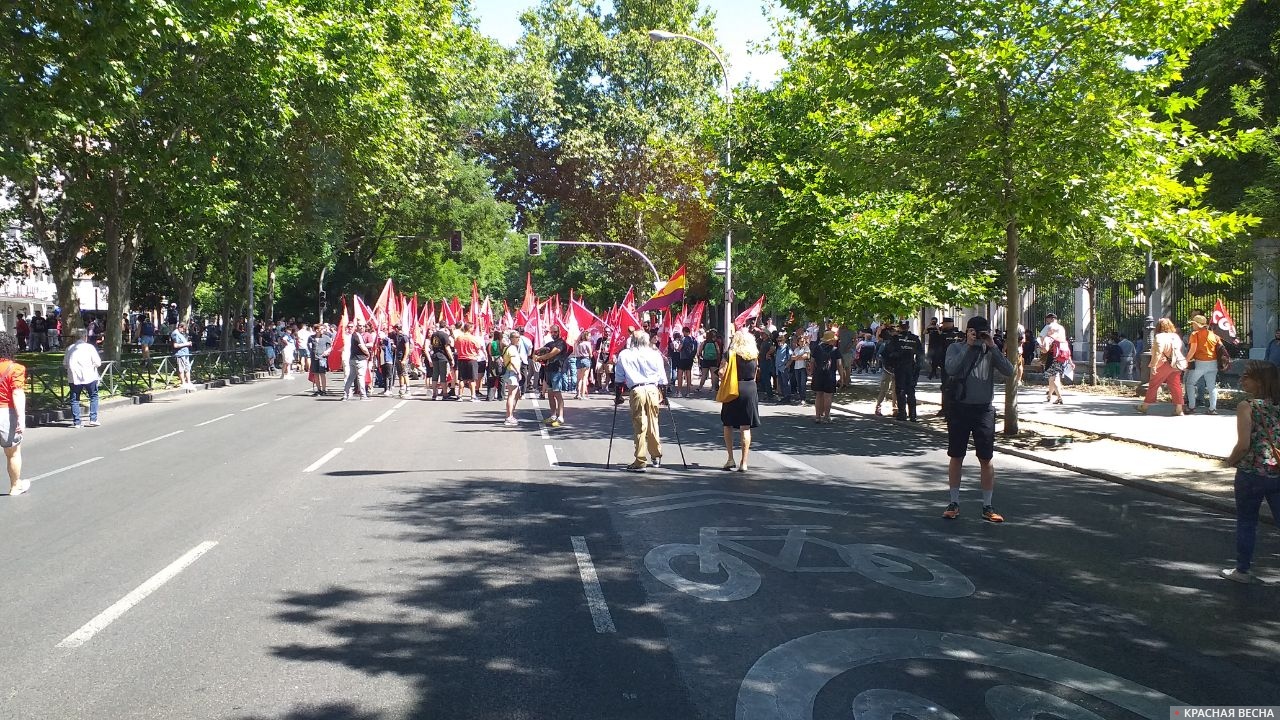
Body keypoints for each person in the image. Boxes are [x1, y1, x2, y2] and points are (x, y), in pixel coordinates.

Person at [942, 316, 1015, 523]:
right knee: (956, 455)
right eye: (977, 332)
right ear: (968, 331)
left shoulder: (990, 350)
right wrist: (968, 346)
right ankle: (954, 502)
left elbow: (1009, 371)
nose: (981, 336)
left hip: (983, 410)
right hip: (960, 408)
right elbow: (952, 369)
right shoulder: (956, 348)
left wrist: (993, 347)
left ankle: (987, 505)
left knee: (986, 458)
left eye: (984, 332)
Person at [1221, 360, 1280, 583]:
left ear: (1259, 381)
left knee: (1247, 521)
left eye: (1246, 376)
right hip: (1277, 471)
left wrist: (1230, 461)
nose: (1241, 380)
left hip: (1251, 473)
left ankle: (1242, 571)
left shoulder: (1247, 406)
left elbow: (1244, 444)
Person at [614, 330, 668, 471]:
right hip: (652, 389)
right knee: (653, 422)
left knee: (640, 424)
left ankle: (640, 460)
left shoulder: (625, 354)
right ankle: (656, 455)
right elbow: (662, 377)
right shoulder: (655, 354)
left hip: (636, 389)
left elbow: (619, 378)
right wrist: (664, 394)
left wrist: (618, 396)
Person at [719, 329, 761, 472]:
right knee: (745, 427)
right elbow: (755, 374)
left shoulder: (730, 354)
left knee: (728, 424)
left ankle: (730, 459)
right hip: (750, 388)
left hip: (734, 388)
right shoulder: (754, 355)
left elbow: (721, 373)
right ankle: (744, 462)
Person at [1137, 318, 1185, 416]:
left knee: (1153, 385)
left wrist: (1154, 365)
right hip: (1176, 364)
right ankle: (1179, 409)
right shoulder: (1175, 336)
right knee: (1176, 386)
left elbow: (1159, 352)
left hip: (1163, 364)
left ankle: (1145, 406)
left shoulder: (1159, 336)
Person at [0, 334, 28, 496]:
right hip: (5, 413)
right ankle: (15, 485)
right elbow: (17, 394)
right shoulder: (15, 369)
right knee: (12, 452)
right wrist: (21, 418)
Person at [886, 320, 923, 421]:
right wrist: (918, 369)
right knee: (911, 390)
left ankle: (902, 414)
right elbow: (920, 355)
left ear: (900, 327)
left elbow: (888, 353)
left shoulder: (895, 338)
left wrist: (890, 366)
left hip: (900, 367)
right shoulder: (914, 338)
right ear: (908, 326)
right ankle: (913, 415)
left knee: (901, 390)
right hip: (911, 367)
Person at [64, 328, 102, 428]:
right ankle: (93, 419)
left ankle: (77, 422)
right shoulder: (90, 348)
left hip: (74, 377)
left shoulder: (70, 348)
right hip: (89, 376)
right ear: (85, 337)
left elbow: (65, 364)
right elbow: (98, 363)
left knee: (74, 399)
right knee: (93, 396)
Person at [534, 325, 570, 427]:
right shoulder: (550, 343)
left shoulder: (561, 343)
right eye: (552, 332)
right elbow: (539, 350)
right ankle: (553, 416)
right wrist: (536, 353)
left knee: (557, 394)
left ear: (559, 332)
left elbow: (553, 353)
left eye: (555, 332)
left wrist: (539, 357)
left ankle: (561, 417)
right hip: (548, 370)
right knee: (550, 394)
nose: (553, 334)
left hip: (557, 371)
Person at [1185, 314, 1221, 415]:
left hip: (1200, 363)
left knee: (1190, 383)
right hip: (1213, 363)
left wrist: (1185, 360)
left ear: (1197, 325)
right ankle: (1212, 409)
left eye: (1193, 323)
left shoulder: (1195, 334)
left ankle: (1191, 407)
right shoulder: (1213, 334)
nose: (1192, 325)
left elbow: (1193, 350)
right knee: (1211, 386)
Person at [1038, 312, 1069, 405]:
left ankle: (1059, 397)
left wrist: (1042, 346)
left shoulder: (1048, 327)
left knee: (1053, 376)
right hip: (1062, 354)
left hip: (1052, 354)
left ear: (1050, 319)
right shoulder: (1062, 328)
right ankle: (1049, 396)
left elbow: (1041, 338)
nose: (1047, 321)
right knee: (1054, 375)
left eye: (1047, 319)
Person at [811, 330, 841, 423]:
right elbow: (839, 364)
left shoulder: (817, 348)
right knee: (828, 396)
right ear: (831, 340)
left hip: (818, 373)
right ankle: (827, 417)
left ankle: (817, 417)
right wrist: (841, 377)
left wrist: (812, 372)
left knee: (818, 395)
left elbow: (812, 361)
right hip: (830, 374)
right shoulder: (835, 350)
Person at [342, 320, 371, 400]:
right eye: (359, 326)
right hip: (360, 358)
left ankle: (345, 394)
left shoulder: (351, 335)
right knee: (360, 377)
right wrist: (367, 353)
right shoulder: (356, 335)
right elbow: (362, 346)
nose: (361, 327)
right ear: (356, 327)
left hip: (352, 359)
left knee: (351, 377)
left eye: (362, 326)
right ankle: (363, 395)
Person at [454, 322, 482, 402]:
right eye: (472, 328)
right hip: (471, 359)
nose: (473, 329)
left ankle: (460, 396)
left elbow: (456, 346)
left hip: (461, 359)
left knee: (461, 379)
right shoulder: (473, 338)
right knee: (472, 379)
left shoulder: (459, 338)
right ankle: (473, 396)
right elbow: (478, 347)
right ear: (469, 328)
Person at [874, 326, 898, 416]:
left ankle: (879, 407)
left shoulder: (884, 344)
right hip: (893, 369)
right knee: (894, 390)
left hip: (887, 369)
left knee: (884, 390)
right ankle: (895, 409)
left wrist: (882, 364)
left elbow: (878, 355)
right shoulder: (891, 344)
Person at [502, 330, 524, 425]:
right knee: (511, 395)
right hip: (512, 373)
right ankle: (509, 416)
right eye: (516, 337)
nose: (518, 339)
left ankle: (511, 414)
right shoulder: (512, 349)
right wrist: (518, 372)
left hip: (511, 373)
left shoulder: (511, 348)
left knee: (516, 394)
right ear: (511, 338)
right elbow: (513, 361)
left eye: (519, 337)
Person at [696, 329, 723, 394]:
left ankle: (700, 387)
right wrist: (718, 359)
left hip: (705, 360)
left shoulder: (704, 342)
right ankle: (713, 388)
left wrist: (701, 357)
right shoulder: (715, 343)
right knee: (713, 375)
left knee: (704, 375)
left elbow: (699, 352)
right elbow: (718, 352)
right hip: (713, 360)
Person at [309, 323, 333, 396]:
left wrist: (327, 351)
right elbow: (309, 346)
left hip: (322, 358)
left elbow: (331, 346)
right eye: (321, 329)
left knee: (322, 374)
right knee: (316, 374)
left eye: (324, 329)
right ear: (317, 330)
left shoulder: (326, 337)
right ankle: (318, 389)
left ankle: (324, 390)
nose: (323, 330)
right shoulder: (311, 337)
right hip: (314, 358)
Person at [788, 333, 810, 405]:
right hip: (796, 368)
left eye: (803, 341)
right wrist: (799, 356)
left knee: (803, 383)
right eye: (800, 341)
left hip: (803, 367)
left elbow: (806, 356)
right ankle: (800, 398)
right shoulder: (796, 349)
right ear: (798, 342)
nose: (802, 342)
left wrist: (797, 357)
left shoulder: (806, 348)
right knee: (799, 383)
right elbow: (792, 358)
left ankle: (803, 398)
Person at [171, 321, 195, 388]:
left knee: (187, 368)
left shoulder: (181, 333)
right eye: (184, 329)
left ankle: (189, 382)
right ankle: (183, 383)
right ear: (180, 327)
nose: (184, 331)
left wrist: (188, 343)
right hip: (180, 354)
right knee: (181, 369)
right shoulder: (175, 334)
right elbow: (175, 345)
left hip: (185, 353)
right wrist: (187, 344)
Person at [573, 330, 593, 400]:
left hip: (578, 360)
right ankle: (583, 394)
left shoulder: (577, 343)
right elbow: (590, 354)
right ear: (586, 336)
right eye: (589, 336)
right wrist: (591, 355)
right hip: (585, 359)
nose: (590, 337)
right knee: (584, 378)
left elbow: (574, 352)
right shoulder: (587, 343)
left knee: (579, 378)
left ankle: (578, 394)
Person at [774, 332, 793, 403]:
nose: (779, 342)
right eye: (778, 340)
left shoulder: (787, 348)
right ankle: (784, 396)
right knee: (781, 383)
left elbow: (791, 358)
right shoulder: (778, 348)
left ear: (784, 340)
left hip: (784, 368)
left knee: (786, 383)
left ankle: (787, 397)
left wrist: (785, 366)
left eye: (781, 340)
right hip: (778, 368)